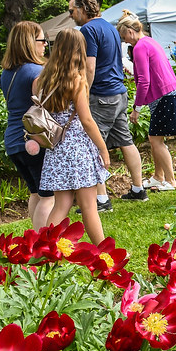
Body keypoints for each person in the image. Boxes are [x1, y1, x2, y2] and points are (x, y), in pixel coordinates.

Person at [68, 0, 145, 209]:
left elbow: (89, 67)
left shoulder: (88, 30)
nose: (71, 15)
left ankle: (101, 200)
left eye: (72, 11)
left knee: (93, 144)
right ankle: (138, 190)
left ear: (83, 8)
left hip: (101, 95)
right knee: (125, 141)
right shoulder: (110, 27)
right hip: (119, 93)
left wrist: (83, 94)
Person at [34, 28, 111, 244]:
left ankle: (43, 248)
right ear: (79, 50)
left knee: (62, 205)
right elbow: (86, 120)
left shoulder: (43, 78)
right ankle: (104, 252)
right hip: (76, 146)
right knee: (89, 206)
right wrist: (103, 149)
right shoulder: (77, 79)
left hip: (56, 145)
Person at [116, 10, 176, 192]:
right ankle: (158, 176)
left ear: (131, 32)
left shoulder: (139, 47)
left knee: (155, 139)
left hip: (164, 96)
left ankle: (170, 181)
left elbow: (145, 81)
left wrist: (136, 108)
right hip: (168, 94)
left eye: (124, 37)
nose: (124, 41)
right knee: (155, 137)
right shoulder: (150, 41)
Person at [0, 21, 55, 228]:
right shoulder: (36, 72)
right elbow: (44, 107)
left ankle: (33, 239)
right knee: (49, 196)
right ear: (30, 43)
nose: (44, 46)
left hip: (14, 139)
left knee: (36, 192)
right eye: (42, 40)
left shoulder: (8, 72)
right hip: (33, 139)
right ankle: (42, 245)